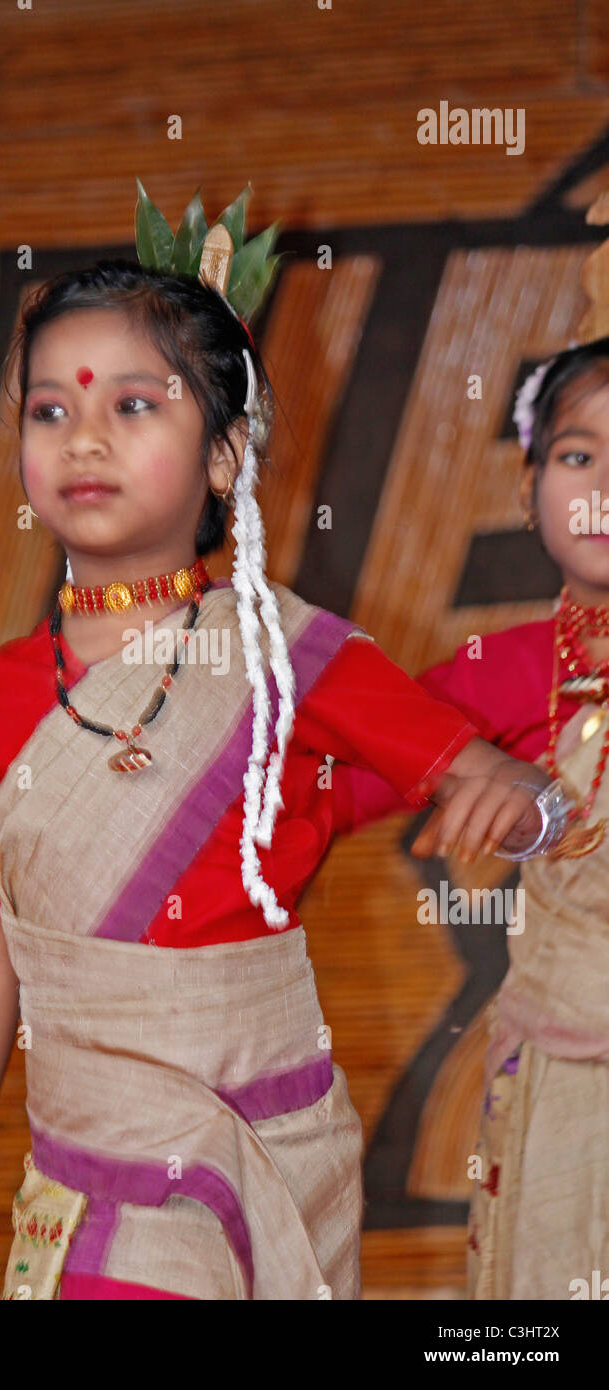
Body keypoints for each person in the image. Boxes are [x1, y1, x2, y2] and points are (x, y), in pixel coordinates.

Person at [0, 193, 574, 1301]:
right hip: (86, 1181)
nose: (82, 437)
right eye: (48, 411)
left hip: (261, 1160)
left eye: (134, 404)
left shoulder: (295, 657)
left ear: (226, 455)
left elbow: (495, 780)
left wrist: (522, 808)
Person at [332, 337, 609, 1300]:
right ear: (532, 490)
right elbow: (337, 779)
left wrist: (543, 818)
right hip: (561, 1088)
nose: (605, 486)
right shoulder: (508, 671)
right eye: (578, 458)